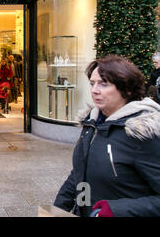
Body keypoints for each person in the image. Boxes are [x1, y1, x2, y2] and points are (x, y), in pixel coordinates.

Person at [54, 55, 160, 217]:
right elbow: (79, 171)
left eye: (103, 83)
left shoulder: (142, 132)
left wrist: (116, 210)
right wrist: (58, 209)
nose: (94, 90)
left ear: (127, 89)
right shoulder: (92, 123)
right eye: (92, 83)